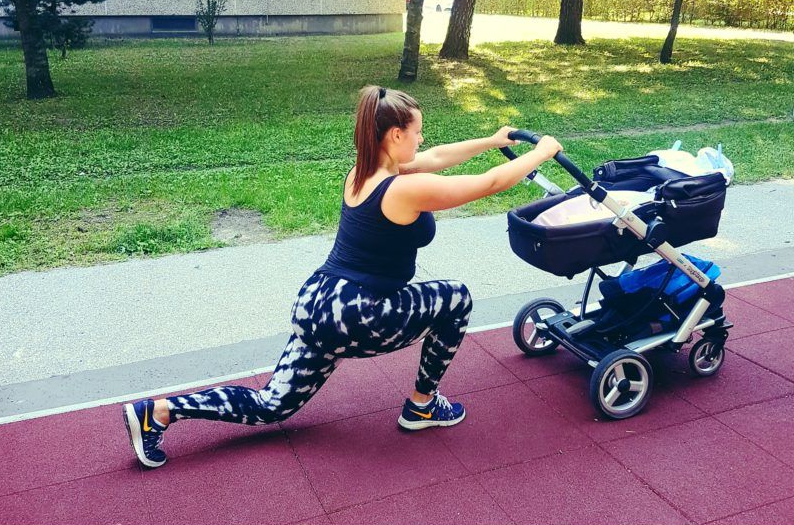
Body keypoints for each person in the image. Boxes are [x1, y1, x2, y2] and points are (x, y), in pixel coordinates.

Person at [122, 85, 562, 468]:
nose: (422, 139)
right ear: (395, 135)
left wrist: (492, 140)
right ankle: (423, 406)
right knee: (456, 298)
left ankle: (158, 412)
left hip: (316, 303)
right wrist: (541, 153)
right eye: (417, 131)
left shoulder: (364, 171)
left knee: (271, 404)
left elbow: (437, 157)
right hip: (359, 313)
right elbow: (488, 184)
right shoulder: (404, 187)